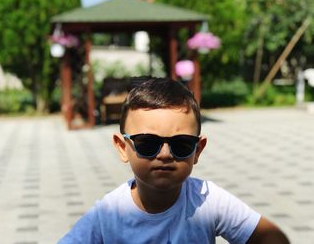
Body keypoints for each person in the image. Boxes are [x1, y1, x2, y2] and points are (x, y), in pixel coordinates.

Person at [58, 77, 290, 244]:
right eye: (147, 143)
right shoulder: (109, 214)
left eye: (181, 144)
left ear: (197, 150)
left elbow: (272, 237)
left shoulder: (208, 201)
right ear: (122, 147)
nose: (165, 154)